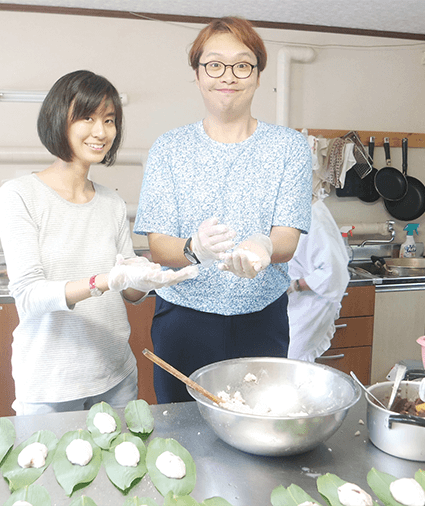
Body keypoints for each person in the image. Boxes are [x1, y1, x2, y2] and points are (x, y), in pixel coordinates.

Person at [0, 70, 197, 415]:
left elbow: (130, 293)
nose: (101, 132)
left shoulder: (111, 202)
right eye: (87, 117)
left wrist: (153, 275)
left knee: (120, 467)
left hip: (115, 377)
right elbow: (28, 296)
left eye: (109, 120)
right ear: (59, 119)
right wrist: (101, 281)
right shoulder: (19, 195)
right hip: (51, 382)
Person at [133, 17, 312, 403]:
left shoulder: (290, 148)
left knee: (258, 424)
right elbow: (158, 244)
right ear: (197, 74)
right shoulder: (169, 149)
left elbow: (287, 238)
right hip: (184, 318)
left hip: (261, 318)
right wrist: (193, 249)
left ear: (258, 75)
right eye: (214, 64)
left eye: (242, 64)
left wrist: (263, 244)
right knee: (180, 434)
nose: (227, 76)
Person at [286, 188, 351, 362]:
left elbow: (334, 273)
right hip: (294, 303)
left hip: (312, 302)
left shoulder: (314, 216)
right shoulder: (290, 211)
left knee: (293, 362)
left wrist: (295, 285)